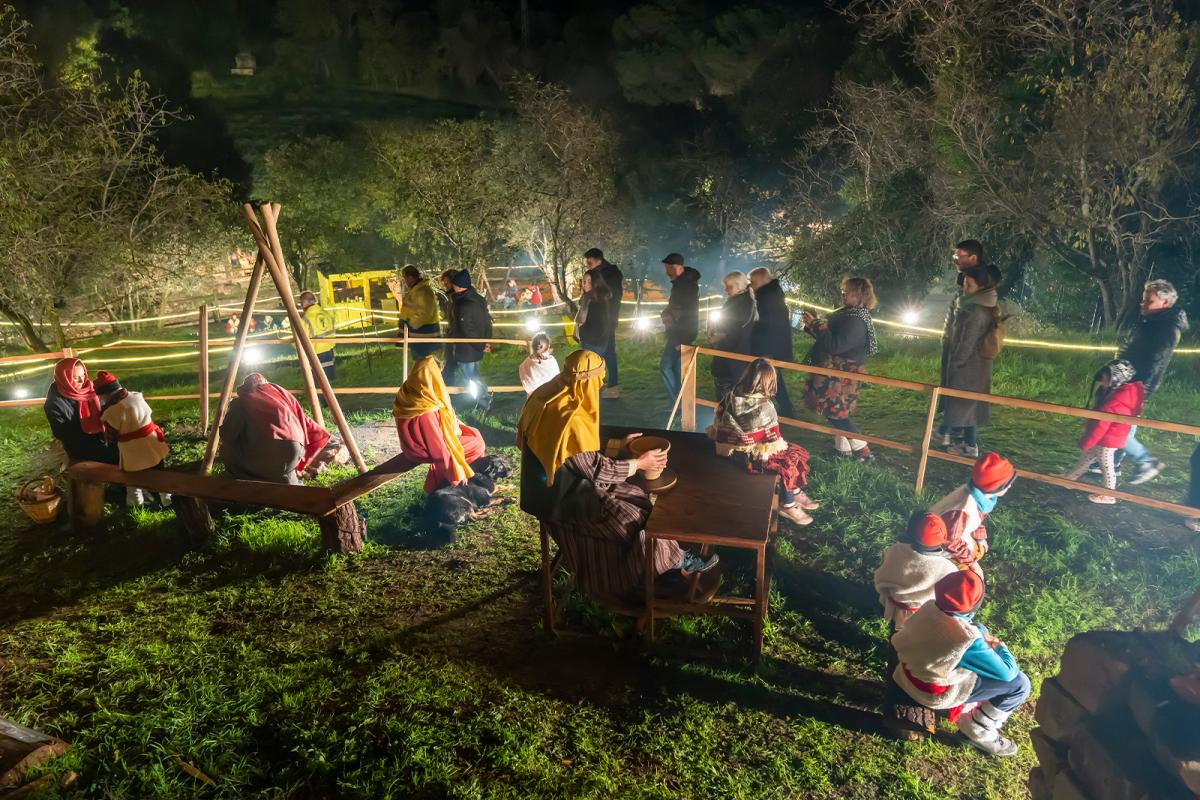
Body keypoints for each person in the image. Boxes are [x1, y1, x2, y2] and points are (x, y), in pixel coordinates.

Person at [517, 350, 717, 602]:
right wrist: (640, 462)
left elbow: (573, 455)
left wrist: (617, 449)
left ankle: (662, 559)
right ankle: (637, 575)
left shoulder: (550, 394)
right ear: (586, 382)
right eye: (597, 382)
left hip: (561, 484)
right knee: (632, 520)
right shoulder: (567, 420)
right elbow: (596, 469)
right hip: (558, 500)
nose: (599, 388)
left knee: (635, 495)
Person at [891, 571, 1032, 757]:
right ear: (975, 605)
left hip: (909, 672)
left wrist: (981, 632)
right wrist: (1000, 648)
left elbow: (971, 629)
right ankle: (978, 729)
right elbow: (1007, 673)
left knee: (980, 637)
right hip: (932, 692)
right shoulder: (966, 639)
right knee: (1020, 684)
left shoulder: (929, 607)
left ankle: (977, 723)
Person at [708, 358, 818, 526]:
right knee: (788, 460)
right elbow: (771, 444)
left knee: (789, 454)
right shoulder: (764, 407)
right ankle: (788, 504)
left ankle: (794, 491)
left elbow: (718, 424)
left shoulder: (732, 395)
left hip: (728, 450)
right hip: (746, 458)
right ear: (769, 382)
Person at [1114, 279, 1188, 486]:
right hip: (1132, 382)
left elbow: (1153, 361)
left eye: (1149, 301)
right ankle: (1115, 461)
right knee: (1124, 424)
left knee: (1116, 425)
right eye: (1143, 300)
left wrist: (1132, 383)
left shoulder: (1165, 329)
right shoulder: (1153, 323)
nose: (1143, 304)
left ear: (1165, 303)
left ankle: (1145, 460)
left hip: (1135, 384)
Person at [801, 277, 878, 461]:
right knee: (835, 411)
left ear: (859, 295)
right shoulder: (849, 314)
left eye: (847, 291)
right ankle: (842, 450)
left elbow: (834, 345)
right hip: (835, 371)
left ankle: (863, 451)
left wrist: (816, 324)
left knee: (837, 414)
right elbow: (829, 338)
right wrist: (813, 325)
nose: (842, 294)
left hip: (842, 373)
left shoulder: (856, 320)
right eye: (842, 290)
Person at [393, 355, 487, 493]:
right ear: (429, 376)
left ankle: (463, 472)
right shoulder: (424, 409)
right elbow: (437, 449)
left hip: (419, 441)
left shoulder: (412, 390)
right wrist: (454, 476)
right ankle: (442, 483)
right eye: (437, 376)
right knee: (476, 444)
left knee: (473, 432)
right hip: (419, 448)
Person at [220, 373, 330, 485]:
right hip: (295, 451)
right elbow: (312, 428)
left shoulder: (243, 400)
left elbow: (228, 434)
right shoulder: (283, 398)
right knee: (284, 469)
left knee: (226, 448)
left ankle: (242, 481)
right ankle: (287, 481)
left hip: (267, 452)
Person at [939, 266, 1001, 458]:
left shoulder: (976, 311)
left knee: (965, 405)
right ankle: (960, 440)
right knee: (966, 406)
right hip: (974, 366)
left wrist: (956, 362)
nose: (964, 287)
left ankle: (967, 445)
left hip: (968, 366)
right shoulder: (978, 306)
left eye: (968, 284)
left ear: (981, 286)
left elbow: (967, 342)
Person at [1063, 360, 1144, 505]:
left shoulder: (1115, 401)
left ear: (1116, 380)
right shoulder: (1119, 393)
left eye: (1106, 378)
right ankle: (1070, 479)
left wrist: (1086, 442)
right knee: (1087, 458)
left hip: (1108, 440)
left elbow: (1101, 425)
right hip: (1108, 437)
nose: (1102, 380)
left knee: (1106, 466)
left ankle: (1109, 494)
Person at [93, 371, 170, 507]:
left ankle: (136, 503)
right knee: (159, 474)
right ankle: (167, 499)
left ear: (105, 395)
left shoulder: (112, 412)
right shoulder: (136, 397)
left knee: (132, 479)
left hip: (133, 449)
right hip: (152, 442)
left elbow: (112, 436)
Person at [873, 512, 960, 631]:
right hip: (920, 613)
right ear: (943, 538)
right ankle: (896, 647)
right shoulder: (947, 568)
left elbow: (884, 572)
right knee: (910, 635)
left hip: (896, 604)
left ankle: (893, 641)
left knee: (895, 631)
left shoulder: (896, 549)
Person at [929, 452, 1015, 568]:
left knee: (979, 550)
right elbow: (950, 540)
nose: (1010, 486)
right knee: (968, 569)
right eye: (1007, 484)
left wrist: (979, 537)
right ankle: (947, 570)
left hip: (954, 535)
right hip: (937, 546)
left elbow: (974, 519)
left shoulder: (980, 495)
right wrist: (972, 563)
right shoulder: (965, 507)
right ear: (994, 486)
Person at [43, 358, 118, 465]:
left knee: (131, 447)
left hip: (106, 436)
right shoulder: (54, 403)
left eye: (83, 375)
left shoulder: (92, 388)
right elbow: (61, 433)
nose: (82, 381)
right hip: (81, 445)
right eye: (75, 377)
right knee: (117, 457)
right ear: (64, 378)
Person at [443, 269, 494, 408]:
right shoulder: (477, 299)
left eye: (451, 283)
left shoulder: (462, 304)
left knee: (470, 378)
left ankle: (484, 401)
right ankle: (477, 402)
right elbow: (487, 322)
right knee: (470, 375)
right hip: (472, 346)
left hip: (466, 348)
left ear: (458, 285)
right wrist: (486, 341)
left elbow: (467, 330)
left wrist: (481, 344)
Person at [749, 267, 795, 418]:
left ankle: (782, 410)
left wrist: (754, 335)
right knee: (774, 379)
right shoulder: (771, 294)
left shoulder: (766, 297)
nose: (750, 285)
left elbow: (766, 323)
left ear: (760, 281)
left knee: (768, 378)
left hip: (769, 345)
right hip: (773, 345)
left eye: (752, 282)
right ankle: (785, 409)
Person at [708, 271, 758, 400]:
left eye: (729, 286)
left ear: (739, 286)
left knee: (725, 400)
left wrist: (717, 337)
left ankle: (725, 419)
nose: (725, 289)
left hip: (728, 358)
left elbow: (732, 331)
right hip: (740, 358)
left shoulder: (737, 304)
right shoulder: (748, 301)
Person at [659, 253, 701, 400]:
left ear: (678, 267)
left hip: (680, 334)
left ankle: (678, 403)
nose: (666, 272)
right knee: (676, 369)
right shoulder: (681, 284)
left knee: (668, 367)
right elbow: (675, 308)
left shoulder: (687, 286)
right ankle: (680, 404)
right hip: (678, 333)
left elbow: (688, 314)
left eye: (669, 268)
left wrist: (680, 340)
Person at [583, 248, 625, 399]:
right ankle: (610, 386)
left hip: (606, 319)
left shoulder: (611, 274)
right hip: (598, 319)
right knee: (607, 353)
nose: (588, 265)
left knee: (602, 353)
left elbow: (613, 297)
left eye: (590, 262)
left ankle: (607, 386)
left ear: (598, 260)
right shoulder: (598, 273)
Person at [395, 265, 441, 361]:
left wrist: (411, 324)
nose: (405, 281)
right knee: (421, 361)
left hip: (423, 334)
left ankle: (432, 375)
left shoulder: (423, 291)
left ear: (410, 278)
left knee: (424, 362)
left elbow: (424, 313)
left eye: (405, 278)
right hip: (418, 334)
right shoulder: (416, 290)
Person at [299, 290, 336, 381]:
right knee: (328, 385)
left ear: (303, 303)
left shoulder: (305, 320)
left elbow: (302, 340)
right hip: (329, 352)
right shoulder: (327, 314)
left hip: (315, 355)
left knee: (317, 386)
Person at [573, 272, 613, 357]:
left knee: (591, 369)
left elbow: (600, 327)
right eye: (584, 281)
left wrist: (581, 333)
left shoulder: (597, 302)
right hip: (593, 342)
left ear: (597, 283)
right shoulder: (589, 298)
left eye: (589, 282)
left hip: (594, 345)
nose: (585, 285)